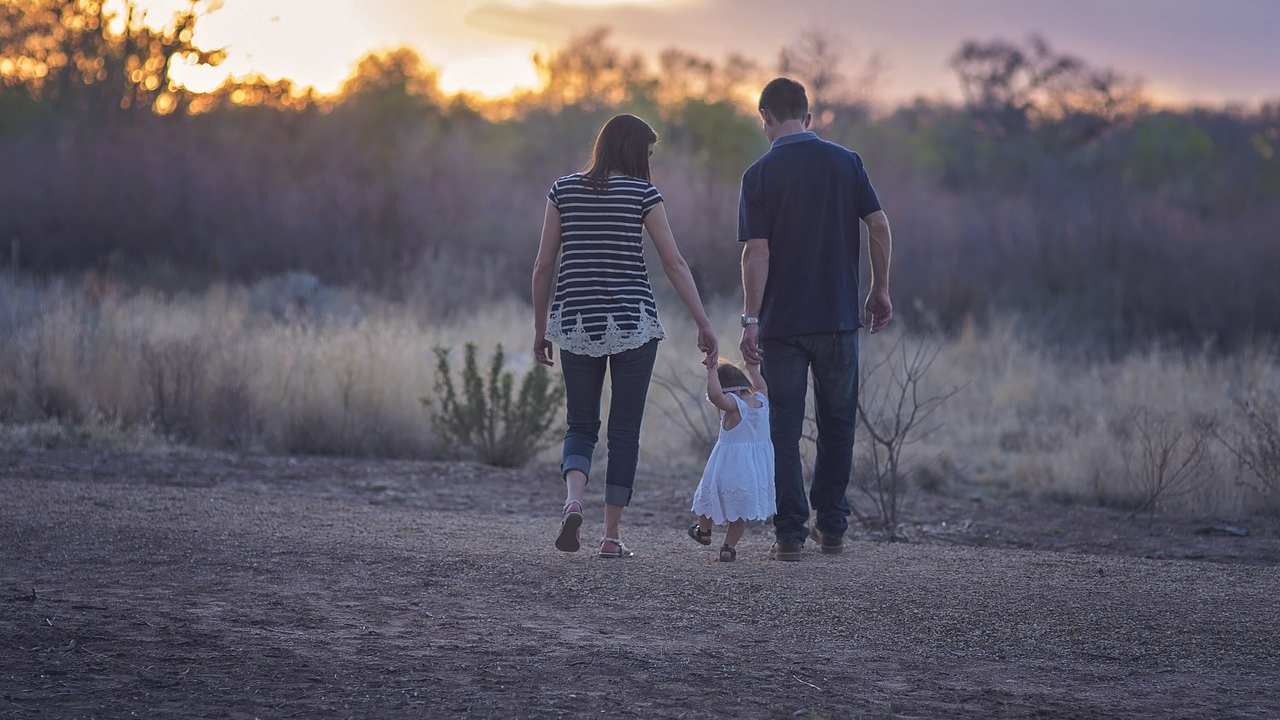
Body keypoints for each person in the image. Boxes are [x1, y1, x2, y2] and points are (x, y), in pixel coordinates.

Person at [531, 113, 718, 559]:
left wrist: (541, 329)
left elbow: (542, 266)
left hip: (575, 322)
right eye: (648, 153)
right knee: (625, 431)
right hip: (633, 323)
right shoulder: (643, 194)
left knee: (580, 424)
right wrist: (703, 322)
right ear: (634, 151)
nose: (649, 162)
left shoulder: (563, 190)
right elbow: (674, 264)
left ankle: (574, 500)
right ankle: (611, 537)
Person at [737, 78, 895, 561]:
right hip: (839, 319)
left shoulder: (758, 175)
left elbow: (755, 253)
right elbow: (880, 225)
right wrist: (879, 289)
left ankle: (789, 535)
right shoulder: (846, 163)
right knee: (838, 423)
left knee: (783, 428)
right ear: (808, 117)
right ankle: (832, 527)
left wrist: (750, 318)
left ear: (764, 116)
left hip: (783, 325)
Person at [687, 358, 775, 562]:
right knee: (740, 512)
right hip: (753, 470)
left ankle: (704, 532)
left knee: (708, 498)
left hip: (728, 466)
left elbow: (717, 396)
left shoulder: (734, 405)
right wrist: (753, 368)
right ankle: (728, 547)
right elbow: (761, 385)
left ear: (727, 389)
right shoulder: (762, 400)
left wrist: (711, 372)